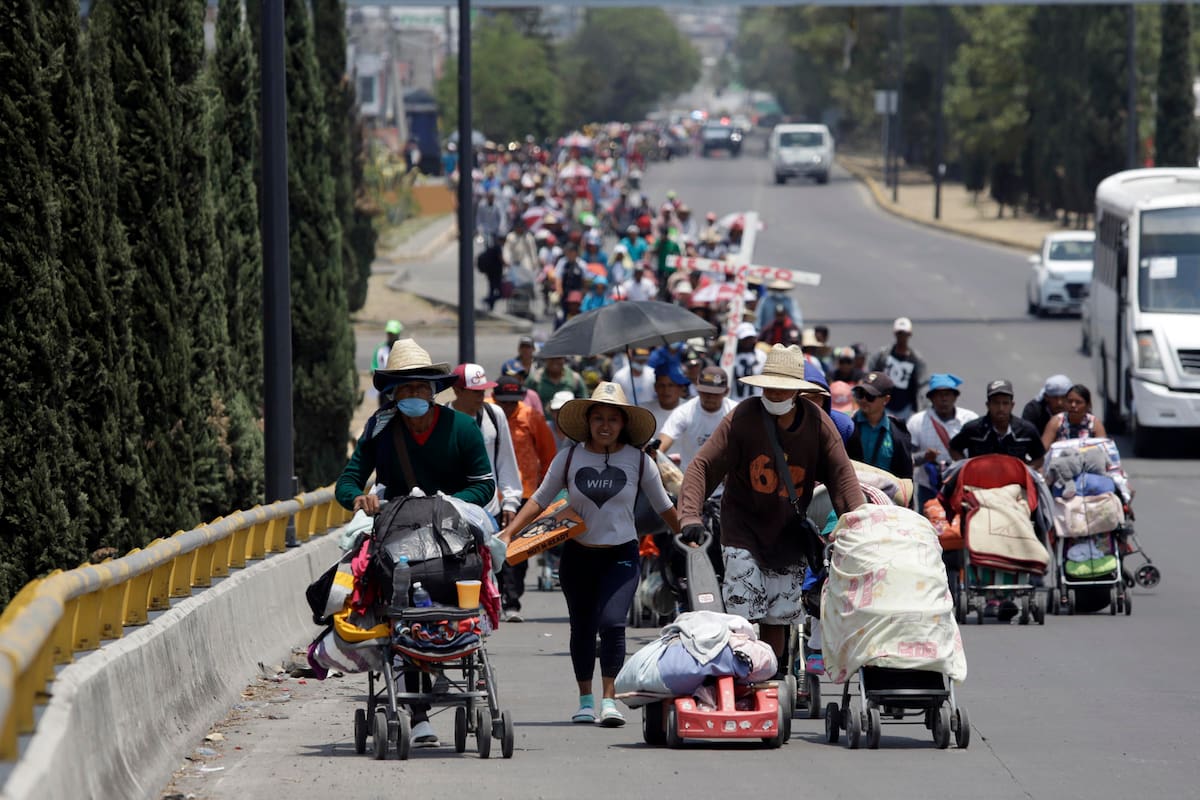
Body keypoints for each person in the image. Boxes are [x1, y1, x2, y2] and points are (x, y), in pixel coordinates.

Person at [336, 339, 495, 748]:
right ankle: (418, 712)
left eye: (419, 387)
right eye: (403, 389)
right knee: (400, 611)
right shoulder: (380, 427)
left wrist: (448, 505)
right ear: (393, 394)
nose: (412, 395)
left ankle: (445, 662)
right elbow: (348, 481)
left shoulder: (461, 426)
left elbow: (484, 485)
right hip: (397, 537)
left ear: (432, 391)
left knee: (450, 599)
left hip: (452, 537)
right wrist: (360, 498)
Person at [498, 383, 681, 727]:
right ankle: (585, 700)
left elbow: (664, 506)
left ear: (624, 424)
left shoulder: (640, 461)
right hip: (578, 556)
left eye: (613, 418)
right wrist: (510, 533)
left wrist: (687, 533)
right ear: (587, 421)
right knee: (582, 628)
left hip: (622, 556)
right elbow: (539, 499)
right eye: (598, 418)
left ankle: (609, 701)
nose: (605, 425)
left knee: (612, 624)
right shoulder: (569, 457)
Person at [677, 345, 865, 664]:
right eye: (770, 385)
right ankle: (739, 677)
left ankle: (771, 679)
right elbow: (703, 466)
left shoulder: (818, 424)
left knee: (776, 618)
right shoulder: (743, 417)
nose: (775, 393)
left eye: (783, 387)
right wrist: (689, 516)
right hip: (742, 531)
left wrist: (862, 525)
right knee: (743, 613)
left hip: (788, 536)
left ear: (797, 391)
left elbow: (842, 477)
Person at [491, 376, 558, 622]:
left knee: (518, 553)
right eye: (503, 402)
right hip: (491, 494)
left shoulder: (532, 417)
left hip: (525, 494)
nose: (507, 408)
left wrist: (548, 493)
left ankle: (512, 596)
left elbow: (549, 456)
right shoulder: (486, 413)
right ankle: (501, 598)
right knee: (494, 547)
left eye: (512, 403)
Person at [446, 364, 523, 527]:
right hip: (452, 510)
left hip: (490, 510)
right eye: (475, 392)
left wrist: (511, 501)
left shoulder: (495, 414)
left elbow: (506, 458)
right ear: (457, 391)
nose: (481, 396)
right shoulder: (443, 418)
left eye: (483, 390)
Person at [906, 374, 979, 509]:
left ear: (955, 396)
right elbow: (906, 459)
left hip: (962, 486)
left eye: (947, 394)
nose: (944, 399)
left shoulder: (970, 420)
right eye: (939, 395)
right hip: (928, 488)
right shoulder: (917, 422)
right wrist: (924, 457)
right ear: (931, 398)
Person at [949, 379, 1046, 469]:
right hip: (978, 481)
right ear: (988, 405)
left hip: (1015, 483)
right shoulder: (973, 428)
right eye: (996, 403)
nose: (1001, 408)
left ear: (1012, 405)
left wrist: (1026, 470)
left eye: (1005, 403)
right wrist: (966, 466)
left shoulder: (1027, 430)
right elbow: (954, 449)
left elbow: (1039, 458)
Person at [658, 367, 737, 471]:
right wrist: (658, 455)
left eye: (715, 393)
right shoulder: (684, 412)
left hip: (725, 480)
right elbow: (663, 442)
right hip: (690, 479)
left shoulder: (736, 412)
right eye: (705, 392)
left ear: (726, 392)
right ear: (697, 390)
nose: (710, 396)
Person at [845, 372, 914, 480]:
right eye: (860, 394)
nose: (863, 400)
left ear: (886, 400)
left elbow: (905, 478)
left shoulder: (898, 434)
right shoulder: (846, 424)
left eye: (870, 396)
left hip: (884, 495)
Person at [868, 317, 926, 421]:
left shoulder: (916, 359)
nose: (902, 337)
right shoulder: (883, 355)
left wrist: (921, 408)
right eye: (899, 333)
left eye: (905, 334)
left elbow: (922, 385)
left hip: (906, 408)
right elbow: (871, 372)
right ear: (895, 334)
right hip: (884, 406)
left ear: (910, 334)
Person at [1041, 383, 1107, 447]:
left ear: (1088, 405)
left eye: (1078, 402)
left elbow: (1104, 449)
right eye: (1070, 401)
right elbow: (1043, 450)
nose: (1073, 405)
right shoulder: (1056, 421)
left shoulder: (1095, 424)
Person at [643, 362, 690, 432]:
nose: (666, 390)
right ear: (655, 387)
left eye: (671, 385)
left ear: (681, 388)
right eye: (662, 385)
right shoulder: (643, 413)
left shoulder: (692, 410)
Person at [730, 322, 766, 402]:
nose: (748, 341)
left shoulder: (761, 356)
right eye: (745, 338)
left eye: (751, 338)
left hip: (757, 400)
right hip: (735, 400)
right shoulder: (731, 357)